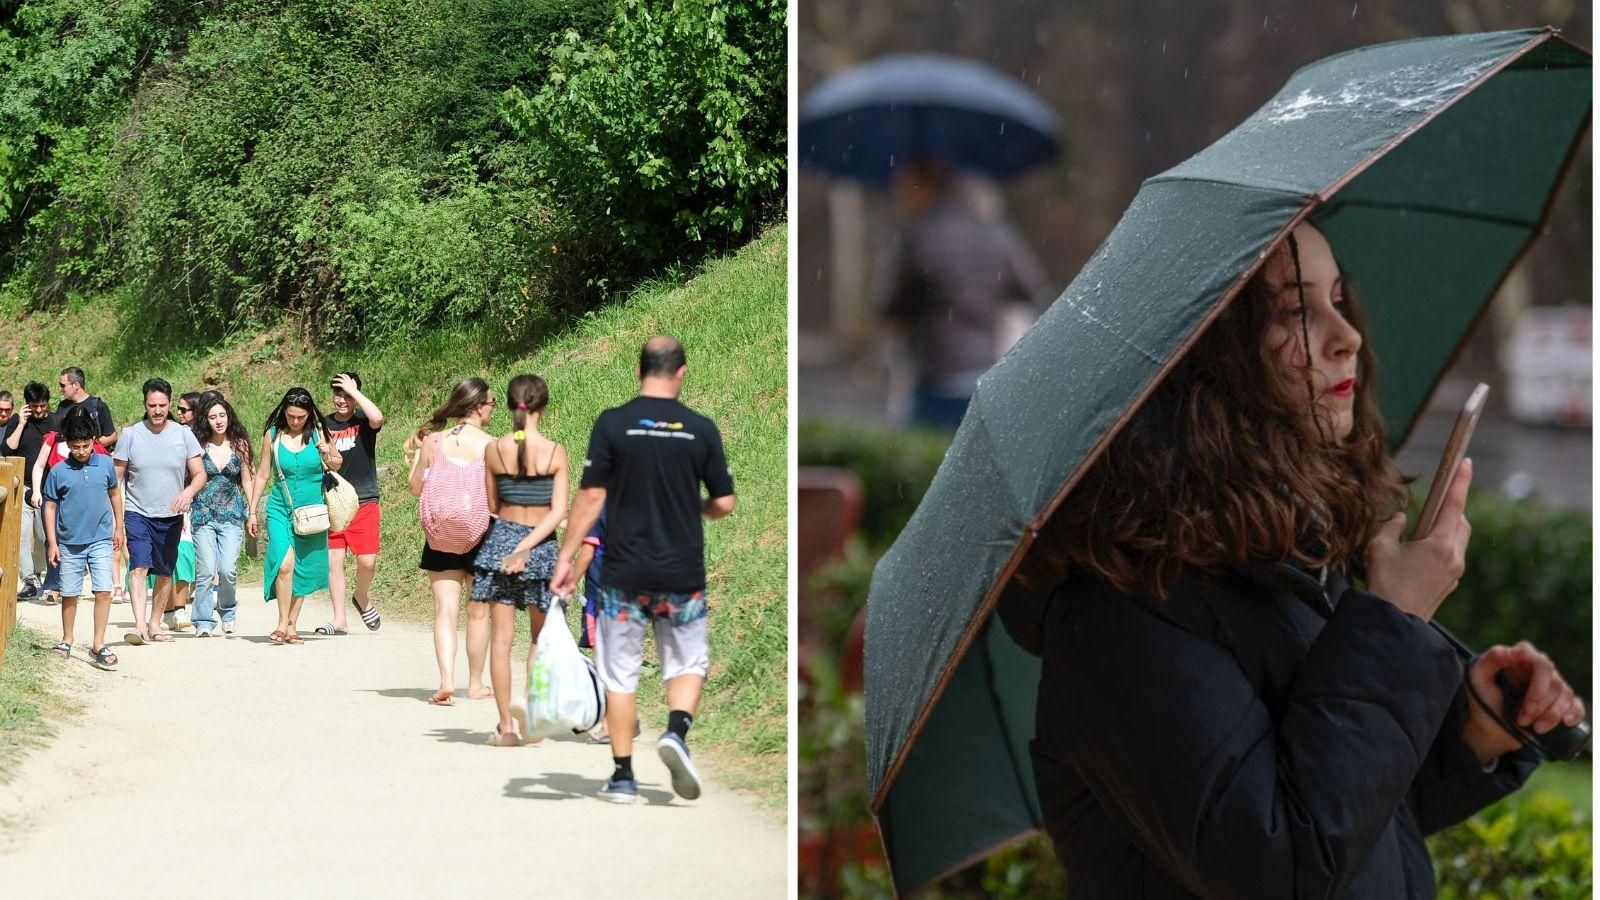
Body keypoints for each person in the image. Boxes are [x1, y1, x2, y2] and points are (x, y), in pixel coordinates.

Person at [1010, 223, 1586, 898]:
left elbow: (1345, 812)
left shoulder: (1271, 558)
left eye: (1338, 299)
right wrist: (1395, 619)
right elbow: (1276, 862)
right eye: (1294, 311)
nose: (1348, 336)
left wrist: (1473, 730)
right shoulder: (1121, 612)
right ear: (1202, 358)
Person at [551, 336, 737, 804]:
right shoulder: (700, 429)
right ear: (682, 372)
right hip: (681, 574)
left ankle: (623, 777)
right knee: (688, 662)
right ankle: (677, 731)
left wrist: (567, 558)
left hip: (622, 575)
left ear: (639, 372)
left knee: (619, 673)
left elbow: (591, 497)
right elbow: (725, 502)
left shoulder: (614, 424)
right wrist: (694, 508)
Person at [880, 158, 1046, 430]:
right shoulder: (997, 234)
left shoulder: (919, 234)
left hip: (936, 372)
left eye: (904, 186)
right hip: (984, 370)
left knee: (923, 463)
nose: (898, 194)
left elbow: (896, 306)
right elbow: (1032, 290)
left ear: (924, 187)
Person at [472, 375, 567, 746]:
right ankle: (529, 704)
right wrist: (528, 545)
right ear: (542, 407)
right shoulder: (555, 452)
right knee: (540, 638)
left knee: (501, 640)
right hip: (540, 546)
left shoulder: (494, 450)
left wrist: (515, 545)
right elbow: (559, 509)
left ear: (511, 406)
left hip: (502, 544)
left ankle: (505, 727)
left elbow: (494, 505)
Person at [407, 376, 496, 706]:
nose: (492, 409)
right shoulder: (491, 444)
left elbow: (416, 487)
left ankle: (446, 681)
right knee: (478, 612)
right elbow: (496, 497)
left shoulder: (433, 440)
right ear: (477, 406)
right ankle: (474, 684)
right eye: (490, 403)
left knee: (445, 610)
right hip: (480, 534)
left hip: (440, 533)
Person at [115, 378, 206, 644]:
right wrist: (115, 517)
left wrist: (188, 492)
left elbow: (199, 474)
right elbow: (116, 478)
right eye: (152, 405)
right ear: (144, 404)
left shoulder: (183, 434)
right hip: (137, 511)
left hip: (171, 514)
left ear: (169, 404)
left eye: (162, 405)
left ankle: (155, 624)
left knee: (165, 571)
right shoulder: (130, 435)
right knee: (139, 566)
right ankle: (140, 626)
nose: (157, 410)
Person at [248, 387, 340, 645]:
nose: (296, 421)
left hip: (311, 512)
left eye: (301, 417)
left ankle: (291, 626)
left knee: (303, 565)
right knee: (285, 563)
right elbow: (263, 474)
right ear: (284, 413)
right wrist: (253, 511)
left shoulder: (319, 433)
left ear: (309, 414)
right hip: (280, 508)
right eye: (291, 416)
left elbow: (337, 463)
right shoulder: (273, 436)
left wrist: (326, 454)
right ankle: (281, 622)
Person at [42, 407, 124, 670]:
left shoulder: (106, 464)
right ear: (67, 445)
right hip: (69, 542)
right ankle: (66, 639)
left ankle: (98, 644)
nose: (80, 451)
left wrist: (119, 527)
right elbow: (50, 506)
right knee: (69, 592)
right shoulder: (58, 471)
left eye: (85, 446)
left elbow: (114, 495)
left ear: (93, 442)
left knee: (103, 590)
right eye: (75, 447)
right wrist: (53, 543)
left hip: (101, 538)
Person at [318, 372, 384, 635]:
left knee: (367, 562)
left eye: (347, 395)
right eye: (338, 394)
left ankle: (362, 597)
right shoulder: (323, 425)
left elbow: (378, 418)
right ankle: (339, 619)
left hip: (364, 500)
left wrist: (354, 391)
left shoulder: (364, 422)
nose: (342, 400)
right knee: (335, 559)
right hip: (334, 502)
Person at [189, 395, 254, 636]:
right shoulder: (198, 445)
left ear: (229, 416)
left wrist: (253, 510)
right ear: (205, 420)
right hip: (203, 515)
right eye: (213, 417)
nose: (218, 421)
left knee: (227, 569)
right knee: (205, 570)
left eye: (222, 415)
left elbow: (247, 478)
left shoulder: (240, 444)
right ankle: (203, 621)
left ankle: (228, 611)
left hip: (232, 515)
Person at [5, 382, 58, 602]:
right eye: (34, 406)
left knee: (43, 535)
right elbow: (7, 449)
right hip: (23, 487)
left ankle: (42, 573)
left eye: (42, 405)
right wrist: (21, 423)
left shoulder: (56, 421)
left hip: (48, 489)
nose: (38, 410)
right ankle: (29, 580)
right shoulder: (19, 421)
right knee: (21, 534)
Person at [56, 367, 118, 448]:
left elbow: (111, 437)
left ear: (76, 385)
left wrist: (87, 448)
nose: (60, 389)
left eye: (62, 385)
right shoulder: (62, 406)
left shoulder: (98, 406)